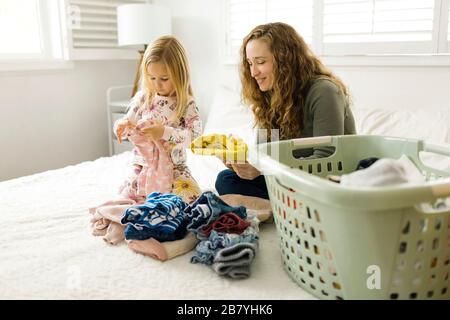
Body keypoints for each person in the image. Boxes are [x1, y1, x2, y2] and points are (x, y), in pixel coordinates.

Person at [215, 22, 356, 199]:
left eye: (260, 62)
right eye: (250, 63)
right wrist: (242, 164)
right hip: (288, 180)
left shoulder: (323, 91)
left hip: (325, 182)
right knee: (226, 179)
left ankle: (278, 208)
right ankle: (283, 208)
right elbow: (266, 153)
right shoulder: (270, 95)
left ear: (285, 60)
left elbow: (326, 161)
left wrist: (263, 168)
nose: (253, 72)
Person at [114, 36, 202, 204]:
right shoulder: (144, 98)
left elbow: (195, 137)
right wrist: (120, 125)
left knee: (191, 200)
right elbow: (128, 121)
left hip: (175, 167)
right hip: (144, 165)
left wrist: (164, 132)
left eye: (164, 79)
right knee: (127, 200)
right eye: (152, 78)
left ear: (179, 75)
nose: (157, 84)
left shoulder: (186, 103)